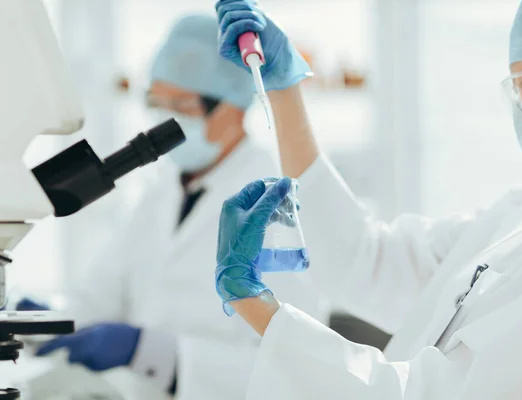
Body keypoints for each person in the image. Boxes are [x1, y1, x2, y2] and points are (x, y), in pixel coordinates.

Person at [213, 0, 522, 398]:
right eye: (518, 90)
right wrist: (284, 91)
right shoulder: (521, 217)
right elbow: (362, 261)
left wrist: (252, 302)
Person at [25, 14, 326, 400]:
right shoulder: (161, 190)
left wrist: (154, 352)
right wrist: (45, 320)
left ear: (232, 107)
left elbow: (298, 364)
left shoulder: (280, 202)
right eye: (156, 102)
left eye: (182, 105)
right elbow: (100, 294)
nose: (165, 120)